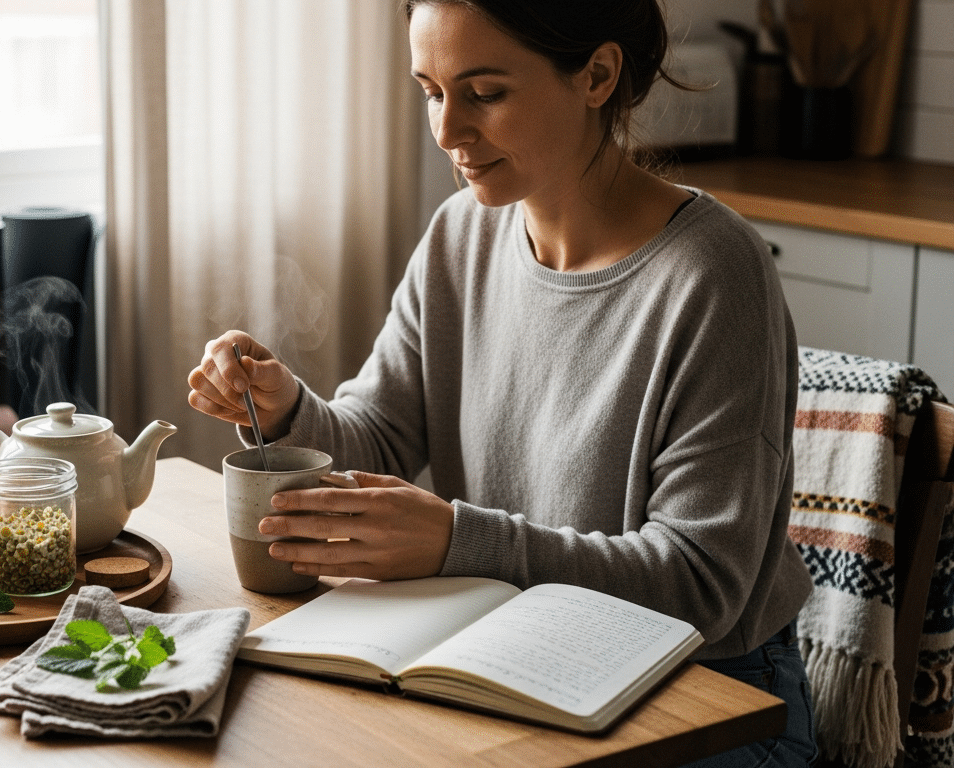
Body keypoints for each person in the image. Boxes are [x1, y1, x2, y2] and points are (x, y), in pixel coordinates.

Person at [186, 1, 817, 766]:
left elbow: (698, 583)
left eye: (484, 93)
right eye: (430, 90)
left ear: (597, 75)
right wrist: (287, 410)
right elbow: (379, 438)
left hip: (708, 698)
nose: (448, 131)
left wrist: (459, 542)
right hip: (516, 660)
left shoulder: (714, 278)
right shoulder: (462, 235)